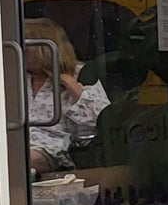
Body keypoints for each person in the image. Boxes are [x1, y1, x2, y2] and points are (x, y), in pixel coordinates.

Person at [22, 17, 108, 174]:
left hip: (55, 146)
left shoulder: (79, 74)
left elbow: (102, 119)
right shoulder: (16, 77)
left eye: (26, 47)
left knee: (21, 160)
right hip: (15, 142)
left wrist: (71, 86)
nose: (22, 52)